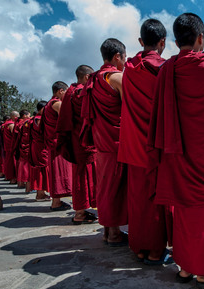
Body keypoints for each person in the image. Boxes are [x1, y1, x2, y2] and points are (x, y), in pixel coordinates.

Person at [147, 13, 204, 289]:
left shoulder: (167, 70)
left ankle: (185, 267)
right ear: (200, 38)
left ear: (174, 41)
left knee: (184, 210)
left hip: (178, 154)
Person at [118, 19, 172, 264]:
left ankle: (138, 247)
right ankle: (155, 251)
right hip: (156, 145)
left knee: (138, 200)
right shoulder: (165, 68)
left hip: (132, 146)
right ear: (163, 42)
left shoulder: (128, 69)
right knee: (156, 201)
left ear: (141, 42)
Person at [81, 38, 128, 246]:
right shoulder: (115, 77)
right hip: (117, 142)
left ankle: (108, 231)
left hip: (101, 143)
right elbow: (134, 107)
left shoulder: (93, 80)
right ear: (117, 57)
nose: (126, 62)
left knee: (105, 188)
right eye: (125, 57)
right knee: (115, 189)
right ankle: (115, 233)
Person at [56, 65, 97, 224]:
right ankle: (80, 212)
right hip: (86, 142)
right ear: (87, 77)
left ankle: (82, 210)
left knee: (80, 177)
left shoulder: (70, 92)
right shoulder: (82, 93)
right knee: (84, 178)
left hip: (75, 141)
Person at [42, 81, 73, 211]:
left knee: (56, 172)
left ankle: (56, 201)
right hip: (58, 143)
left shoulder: (48, 105)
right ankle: (56, 202)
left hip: (52, 143)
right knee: (60, 172)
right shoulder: (57, 104)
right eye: (65, 92)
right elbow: (66, 120)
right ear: (60, 91)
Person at [29, 101, 51, 201]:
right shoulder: (39, 119)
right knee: (41, 169)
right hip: (40, 147)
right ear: (41, 109)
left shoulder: (33, 119)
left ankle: (41, 193)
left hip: (37, 146)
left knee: (41, 168)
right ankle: (40, 194)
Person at [13, 110, 32, 193]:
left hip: (20, 145)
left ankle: (20, 184)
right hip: (26, 146)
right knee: (27, 167)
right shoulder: (26, 122)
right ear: (24, 115)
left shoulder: (18, 123)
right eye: (28, 114)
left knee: (22, 165)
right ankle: (28, 188)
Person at [2, 111, 19, 184]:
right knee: (12, 163)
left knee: (9, 162)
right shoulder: (11, 124)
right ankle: (13, 179)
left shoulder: (5, 124)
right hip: (11, 147)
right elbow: (15, 135)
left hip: (7, 146)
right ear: (14, 117)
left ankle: (10, 178)